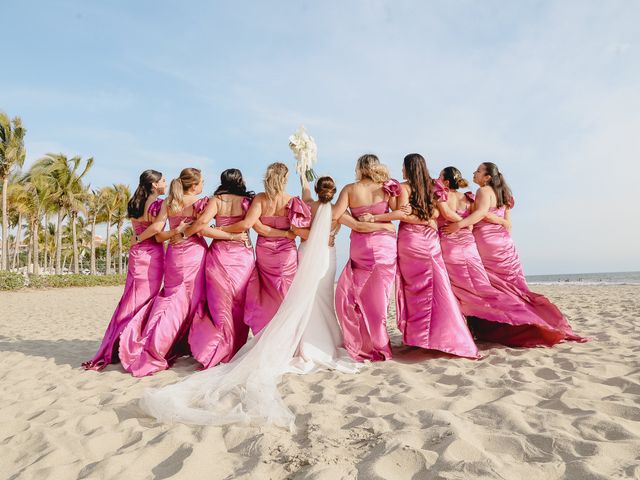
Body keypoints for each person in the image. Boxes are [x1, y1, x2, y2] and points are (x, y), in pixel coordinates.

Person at [141, 175, 359, 431]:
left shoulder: (233, 201)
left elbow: (242, 226)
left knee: (223, 306)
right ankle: (280, 343)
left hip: (230, 254)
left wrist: (196, 233)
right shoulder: (282, 202)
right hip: (258, 256)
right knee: (272, 301)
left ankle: (221, 351)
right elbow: (276, 226)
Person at [119, 168, 246, 376]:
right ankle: (161, 345)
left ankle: (168, 343)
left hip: (174, 256)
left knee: (172, 299)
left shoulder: (170, 203)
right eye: (202, 181)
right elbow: (201, 228)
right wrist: (191, 232)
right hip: (195, 255)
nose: (204, 184)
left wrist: (177, 232)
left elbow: (159, 237)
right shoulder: (200, 202)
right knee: (190, 303)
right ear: (194, 185)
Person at [443, 162, 586, 344]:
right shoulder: (505, 194)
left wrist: (458, 225)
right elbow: (507, 224)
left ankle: (512, 324)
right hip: (505, 243)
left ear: (487, 177)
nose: (474, 173)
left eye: (478, 171)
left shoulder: (483, 191)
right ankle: (531, 321)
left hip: (487, 240)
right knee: (514, 286)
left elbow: (480, 214)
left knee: (490, 287)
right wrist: (501, 224)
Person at [360, 155, 479, 358]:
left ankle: (421, 337)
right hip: (430, 239)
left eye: (403, 166)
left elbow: (403, 215)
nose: (402, 170)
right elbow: (435, 214)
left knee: (414, 289)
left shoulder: (404, 188)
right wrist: (427, 218)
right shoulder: (434, 186)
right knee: (437, 287)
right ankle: (438, 335)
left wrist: (376, 217)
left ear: (408, 168)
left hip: (411, 240)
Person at [82, 170, 166, 370]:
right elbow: (156, 229)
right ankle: (128, 345)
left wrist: (138, 239)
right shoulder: (159, 204)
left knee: (132, 300)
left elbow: (140, 227)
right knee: (141, 302)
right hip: (151, 254)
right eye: (163, 180)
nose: (165, 182)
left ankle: (125, 343)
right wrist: (140, 238)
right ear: (154, 185)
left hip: (138, 255)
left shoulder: (135, 202)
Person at [218, 162, 311, 334]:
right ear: (284, 179)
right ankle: (288, 331)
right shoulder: (291, 201)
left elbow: (255, 226)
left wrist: (221, 229)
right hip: (286, 253)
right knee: (286, 291)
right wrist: (285, 235)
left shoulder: (260, 199)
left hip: (265, 251)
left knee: (267, 291)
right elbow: (297, 230)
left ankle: (268, 330)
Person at [331, 154, 406, 361]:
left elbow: (334, 215)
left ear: (359, 167)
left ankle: (363, 344)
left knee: (354, 296)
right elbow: (398, 215)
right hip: (385, 246)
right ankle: (381, 346)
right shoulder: (387, 187)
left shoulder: (350, 189)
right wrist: (383, 225)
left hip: (362, 246)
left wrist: (357, 224)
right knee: (380, 299)